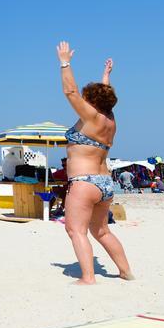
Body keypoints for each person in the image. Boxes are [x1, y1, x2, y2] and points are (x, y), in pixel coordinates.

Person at [56, 47, 133, 284]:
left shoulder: (90, 117)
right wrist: (106, 75)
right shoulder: (110, 120)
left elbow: (70, 92)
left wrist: (65, 63)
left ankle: (88, 277)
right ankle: (125, 271)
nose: (84, 100)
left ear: (92, 102)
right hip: (104, 183)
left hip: (84, 182)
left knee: (75, 230)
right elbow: (104, 97)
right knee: (101, 231)